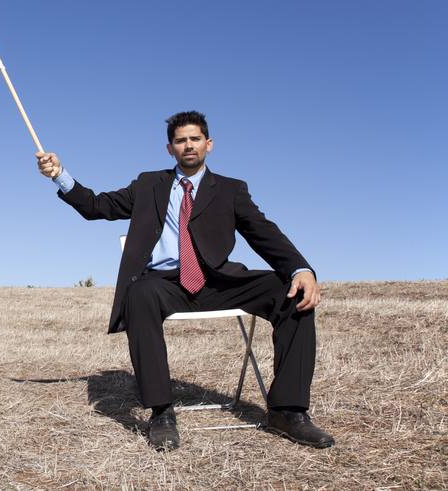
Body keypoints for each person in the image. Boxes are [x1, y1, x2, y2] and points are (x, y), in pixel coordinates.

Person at [35, 111, 334, 451]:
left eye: (194, 139)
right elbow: (96, 206)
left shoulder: (231, 190)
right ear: (170, 149)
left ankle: (288, 413)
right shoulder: (148, 185)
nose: (188, 145)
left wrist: (301, 269)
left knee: (291, 293)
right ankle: (162, 413)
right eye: (180, 140)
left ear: (209, 144)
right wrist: (59, 175)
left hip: (219, 282)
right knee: (140, 293)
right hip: (165, 284)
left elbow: (263, 233)